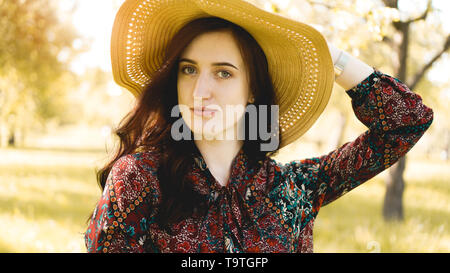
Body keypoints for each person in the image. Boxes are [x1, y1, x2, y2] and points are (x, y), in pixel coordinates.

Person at [84, 0, 433, 253]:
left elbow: (406, 123)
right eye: (189, 69)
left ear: (252, 91)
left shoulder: (293, 189)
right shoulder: (140, 178)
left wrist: (331, 57)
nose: (200, 91)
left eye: (223, 72)